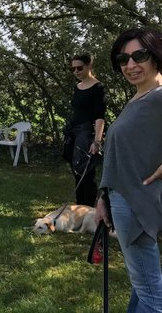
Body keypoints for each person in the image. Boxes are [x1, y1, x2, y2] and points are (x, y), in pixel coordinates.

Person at [95, 28, 162, 313]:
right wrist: (103, 197)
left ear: (156, 56)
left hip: (136, 203)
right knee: (142, 283)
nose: (130, 65)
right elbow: (120, 155)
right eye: (123, 59)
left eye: (139, 56)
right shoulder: (140, 97)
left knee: (151, 295)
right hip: (122, 198)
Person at [64, 53, 106, 207]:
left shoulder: (98, 87)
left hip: (87, 135)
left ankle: (88, 210)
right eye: (73, 69)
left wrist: (97, 141)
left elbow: (99, 117)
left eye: (79, 68)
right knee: (76, 171)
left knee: (86, 174)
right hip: (73, 134)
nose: (76, 71)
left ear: (89, 66)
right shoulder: (77, 87)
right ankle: (78, 207)